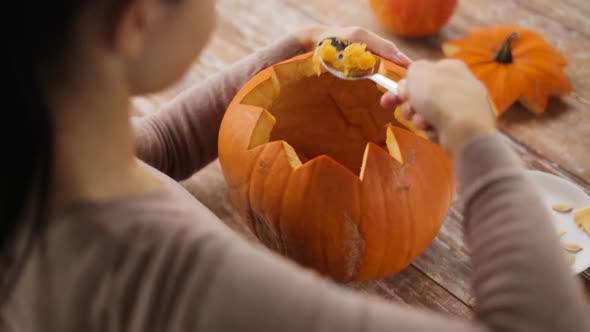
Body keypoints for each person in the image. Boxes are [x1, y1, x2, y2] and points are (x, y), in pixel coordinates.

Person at [2, 0, 589, 331]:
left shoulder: (42, 159)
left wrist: (294, 53)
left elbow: (158, 145)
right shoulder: (185, 291)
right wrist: (476, 138)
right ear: (136, 20)